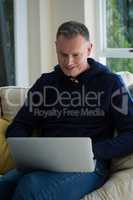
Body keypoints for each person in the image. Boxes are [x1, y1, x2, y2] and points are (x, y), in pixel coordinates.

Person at [1, 20, 133, 200]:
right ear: (56, 47)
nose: (69, 62)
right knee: (5, 185)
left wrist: (92, 150)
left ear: (89, 49)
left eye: (76, 55)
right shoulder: (46, 83)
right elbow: (20, 125)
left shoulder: (111, 84)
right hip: (45, 162)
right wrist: (25, 149)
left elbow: (131, 133)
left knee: (30, 187)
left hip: (89, 165)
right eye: (63, 54)